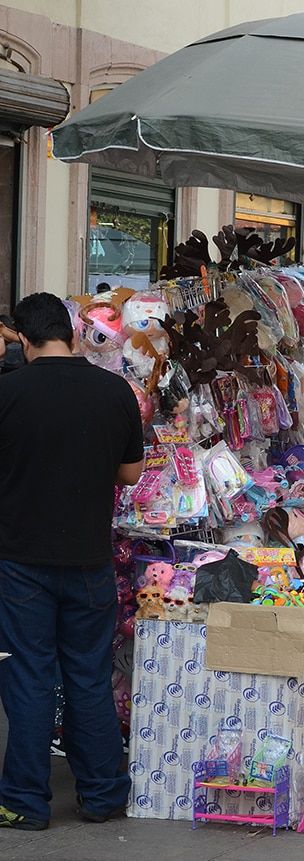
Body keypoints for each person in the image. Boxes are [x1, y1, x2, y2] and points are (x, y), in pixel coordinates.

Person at [0, 293, 143, 830]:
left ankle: (25, 802)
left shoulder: (7, 392)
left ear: (25, 338)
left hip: (20, 563)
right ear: (73, 333)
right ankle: (104, 797)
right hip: (90, 562)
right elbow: (130, 474)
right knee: (88, 678)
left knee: (29, 680)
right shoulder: (114, 391)